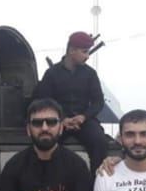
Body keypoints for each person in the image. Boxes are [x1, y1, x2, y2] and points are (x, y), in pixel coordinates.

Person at [34, 31, 108, 174]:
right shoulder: (52, 74)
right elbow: (43, 101)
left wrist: (83, 117)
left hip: (84, 121)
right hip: (57, 121)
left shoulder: (90, 74)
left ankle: (97, 183)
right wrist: (62, 119)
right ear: (72, 50)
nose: (87, 56)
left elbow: (98, 101)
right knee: (45, 142)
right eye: (84, 52)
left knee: (99, 142)